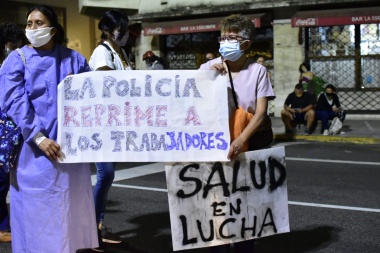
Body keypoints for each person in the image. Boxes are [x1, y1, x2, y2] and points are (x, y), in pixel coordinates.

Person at [0, 5, 98, 252]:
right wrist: (39, 137)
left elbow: (97, 93)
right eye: (29, 23)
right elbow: (14, 101)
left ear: (53, 29)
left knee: (69, 212)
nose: (32, 28)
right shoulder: (17, 59)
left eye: (39, 23)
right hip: (32, 155)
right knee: (36, 216)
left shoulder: (74, 59)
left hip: (70, 155)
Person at [199, 13, 275, 253]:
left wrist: (242, 139)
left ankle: (244, 246)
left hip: (251, 141)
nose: (225, 41)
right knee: (217, 202)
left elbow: (261, 112)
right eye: (223, 37)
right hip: (217, 144)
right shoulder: (208, 67)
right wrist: (209, 73)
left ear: (246, 43)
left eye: (232, 37)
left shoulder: (258, 71)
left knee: (246, 203)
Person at [89, 9, 131, 245]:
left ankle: (97, 224)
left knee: (107, 175)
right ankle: (94, 225)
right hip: (102, 121)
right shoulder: (102, 53)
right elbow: (109, 86)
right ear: (107, 30)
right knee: (106, 173)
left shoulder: (121, 51)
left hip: (115, 121)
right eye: (121, 29)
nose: (124, 33)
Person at [0, 22, 27, 244]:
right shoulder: (7, 62)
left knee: (9, 177)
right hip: (5, 127)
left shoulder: (17, 60)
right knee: (1, 179)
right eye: (11, 41)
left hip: (10, 126)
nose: (14, 45)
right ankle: (1, 226)